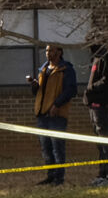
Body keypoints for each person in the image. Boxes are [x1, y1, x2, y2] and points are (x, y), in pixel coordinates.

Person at [28, 44, 77, 185]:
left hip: (57, 115)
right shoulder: (43, 69)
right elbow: (38, 92)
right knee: (46, 148)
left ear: (59, 52)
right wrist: (34, 85)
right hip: (42, 114)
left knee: (57, 147)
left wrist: (57, 104)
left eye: (52, 50)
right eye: (47, 50)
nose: (48, 53)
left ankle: (59, 178)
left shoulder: (66, 69)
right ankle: (50, 176)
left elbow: (71, 90)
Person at [86, 40, 108, 186]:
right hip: (93, 106)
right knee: (99, 143)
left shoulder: (106, 57)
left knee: (106, 141)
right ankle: (102, 173)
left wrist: (91, 88)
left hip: (101, 106)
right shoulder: (95, 58)